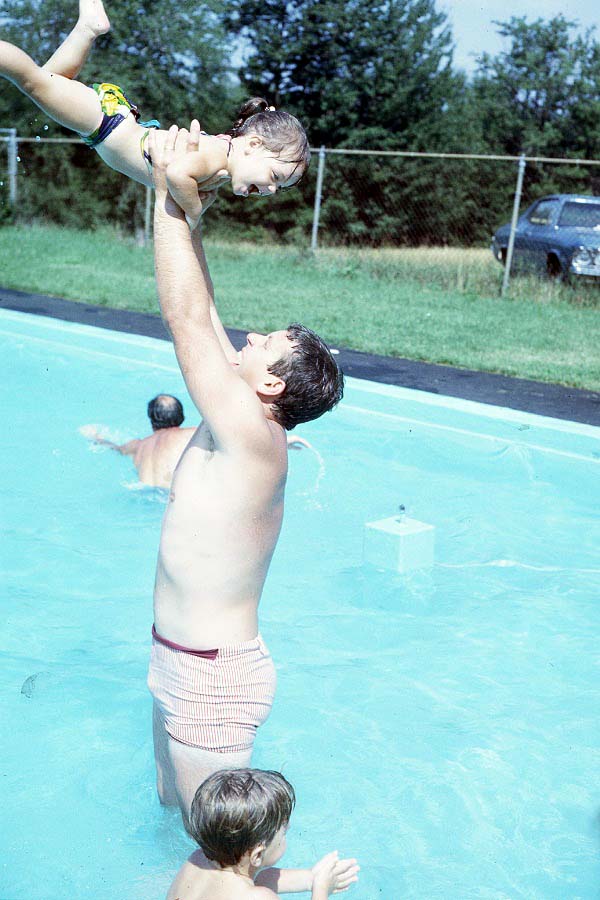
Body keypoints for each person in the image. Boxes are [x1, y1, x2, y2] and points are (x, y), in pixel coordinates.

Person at [147, 122, 344, 828]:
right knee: (171, 818)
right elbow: (204, 310)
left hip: (211, 673)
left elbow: (185, 323)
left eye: (266, 344)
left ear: (272, 387)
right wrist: (190, 206)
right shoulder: (244, 414)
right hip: (178, 654)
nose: (251, 338)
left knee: (220, 860)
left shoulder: (254, 437)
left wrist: (165, 196)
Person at [0, 0, 309, 229]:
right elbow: (176, 175)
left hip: (111, 123)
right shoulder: (218, 157)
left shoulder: (222, 158)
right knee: (33, 81)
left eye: (279, 188)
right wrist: (195, 211)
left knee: (51, 80)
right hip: (106, 124)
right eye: (274, 177)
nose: (271, 190)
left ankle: (88, 27)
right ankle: (85, 28)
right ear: (253, 145)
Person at [167, 769, 359, 900]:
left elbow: (256, 881)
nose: (287, 830)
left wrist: (311, 878)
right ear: (257, 855)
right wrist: (320, 890)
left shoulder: (197, 860)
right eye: (283, 834)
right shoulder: (260, 897)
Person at [81, 395, 315, 489]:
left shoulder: (138, 445)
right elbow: (239, 440)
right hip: (170, 500)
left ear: (151, 421)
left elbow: (114, 448)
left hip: (139, 492)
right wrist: (284, 442)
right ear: (181, 418)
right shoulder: (191, 435)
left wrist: (97, 438)